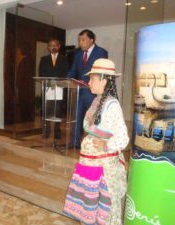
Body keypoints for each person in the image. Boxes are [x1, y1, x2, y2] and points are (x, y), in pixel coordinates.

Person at [63, 59, 128, 225]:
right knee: (91, 210)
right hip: (91, 168)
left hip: (103, 170)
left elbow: (122, 138)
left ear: (104, 80)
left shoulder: (112, 105)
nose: (89, 82)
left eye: (92, 79)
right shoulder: (97, 100)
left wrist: (106, 145)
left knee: (104, 212)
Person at [67, 29, 108, 149]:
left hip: (92, 92)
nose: (80, 42)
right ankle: (74, 142)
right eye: (79, 40)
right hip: (79, 91)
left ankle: (94, 142)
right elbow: (73, 70)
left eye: (83, 40)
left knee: (93, 118)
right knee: (76, 117)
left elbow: (101, 72)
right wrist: (66, 79)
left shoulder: (101, 52)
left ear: (92, 40)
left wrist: (89, 82)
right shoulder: (78, 54)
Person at [39, 39, 69, 139]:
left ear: (59, 46)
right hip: (48, 88)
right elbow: (41, 74)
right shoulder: (44, 59)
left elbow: (66, 73)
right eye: (51, 45)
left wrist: (58, 82)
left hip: (59, 88)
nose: (53, 47)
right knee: (47, 110)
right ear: (48, 47)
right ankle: (46, 131)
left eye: (55, 45)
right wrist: (49, 81)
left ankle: (57, 132)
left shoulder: (64, 59)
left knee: (58, 111)